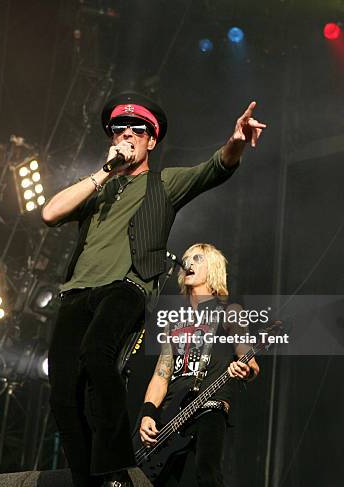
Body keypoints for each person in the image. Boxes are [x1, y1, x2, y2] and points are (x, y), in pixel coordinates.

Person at [41, 91, 266, 487]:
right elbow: (49, 213)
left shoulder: (164, 184)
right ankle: (86, 479)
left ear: (151, 140)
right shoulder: (99, 187)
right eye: (118, 130)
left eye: (137, 129)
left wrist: (235, 141)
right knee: (61, 390)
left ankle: (114, 469)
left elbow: (215, 168)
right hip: (77, 291)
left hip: (127, 286)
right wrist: (104, 173)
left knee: (98, 353)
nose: (126, 134)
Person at [138, 243, 260, 486]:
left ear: (213, 268)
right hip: (171, 415)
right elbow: (161, 376)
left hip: (210, 405)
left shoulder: (229, 312)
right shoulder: (173, 323)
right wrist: (148, 414)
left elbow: (251, 363)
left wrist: (243, 369)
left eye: (197, 258)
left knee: (207, 475)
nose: (189, 263)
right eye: (186, 259)